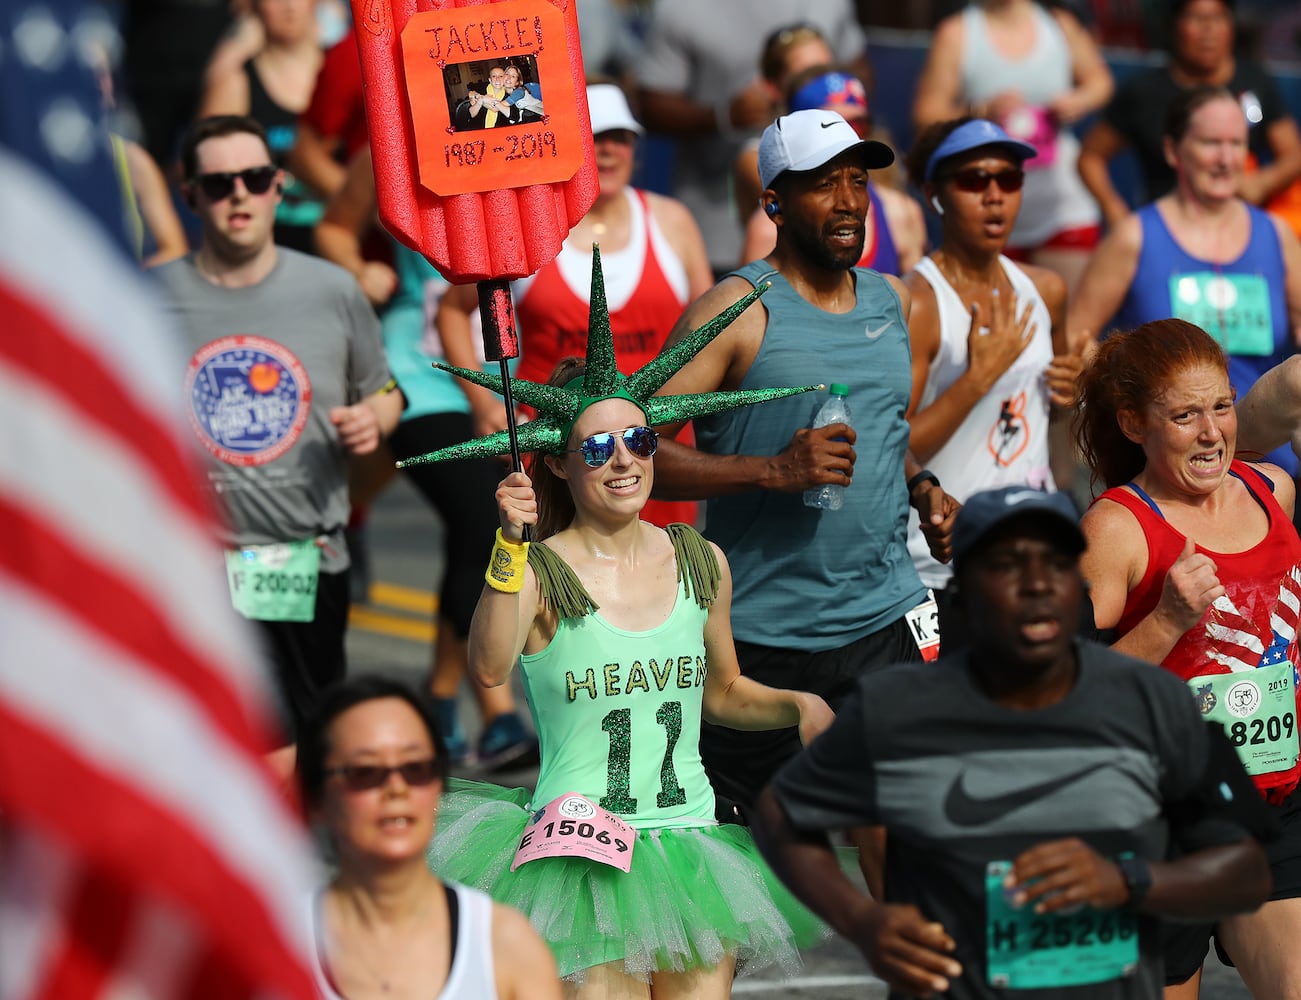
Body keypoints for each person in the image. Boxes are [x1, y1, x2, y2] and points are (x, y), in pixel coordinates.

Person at [413, 257, 835, 996]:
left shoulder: (698, 559)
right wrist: (508, 547)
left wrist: (793, 706)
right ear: (561, 464)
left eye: (639, 442)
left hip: (690, 845)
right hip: (579, 860)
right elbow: (487, 666)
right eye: (598, 448)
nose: (623, 462)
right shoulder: (540, 568)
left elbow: (724, 690)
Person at [750, 484, 1274, 999]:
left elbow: (1246, 866)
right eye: (1007, 565)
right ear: (967, 592)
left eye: (1055, 563)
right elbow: (781, 814)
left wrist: (1126, 882)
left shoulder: (1154, 703)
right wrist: (863, 919)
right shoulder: (898, 708)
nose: (1037, 583)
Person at [650, 108, 960, 816]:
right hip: (762, 641)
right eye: (822, 183)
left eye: (857, 181)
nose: (849, 200)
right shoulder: (735, 310)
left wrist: (923, 486)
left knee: (904, 837)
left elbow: (883, 428)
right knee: (759, 869)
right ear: (774, 204)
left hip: (887, 619)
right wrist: (771, 471)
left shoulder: (894, 299)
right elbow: (633, 452)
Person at [153, 115, 403, 767]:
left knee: (303, 735)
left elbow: (383, 389)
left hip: (299, 558)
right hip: (196, 563)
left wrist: (375, 421)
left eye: (254, 178)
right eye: (217, 183)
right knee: (243, 740)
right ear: (190, 196)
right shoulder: (151, 298)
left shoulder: (330, 289)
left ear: (279, 187)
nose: (238, 194)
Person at [1076, 319, 1301, 997]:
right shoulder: (1115, 530)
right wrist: (1168, 621)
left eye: (1221, 408)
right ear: (1133, 424)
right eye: (1183, 415)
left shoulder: (1272, 492)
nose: (1210, 434)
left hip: (1272, 804)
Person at [315, 146, 539, 771]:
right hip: (420, 371)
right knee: (479, 519)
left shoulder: (529, 150)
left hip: (507, 372)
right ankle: (475, 709)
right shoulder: (393, 149)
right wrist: (358, 266)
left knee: (505, 535)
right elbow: (334, 226)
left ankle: (453, 700)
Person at [438, 84, 713, 530]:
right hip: (558, 455)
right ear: (564, 144)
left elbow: (707, 336)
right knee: (556, 588)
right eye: (595, 137)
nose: (609, 150)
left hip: (650, 447)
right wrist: (485, 403)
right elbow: (453, 310)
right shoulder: (527, 226)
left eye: (621, 138)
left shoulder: (673, 221)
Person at [1069, 85, 1301, 477]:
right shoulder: (1134, 236)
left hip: (1271, 473)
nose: (1227, 159)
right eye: (1212, 143)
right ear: (1173, 150)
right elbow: (1075, 338)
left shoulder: (1277, 236)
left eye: (1236, 144)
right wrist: (1129, 395)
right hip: (1170, 468)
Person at [297, 675, 562, 1000]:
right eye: (365, 772)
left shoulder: (506, 947)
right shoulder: (266, 943)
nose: (396, 788)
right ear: (316, 798)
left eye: (416, 768)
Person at [903, 116, 1078, 600]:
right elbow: (893, 443)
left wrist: (1073, 390)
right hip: (940, 563)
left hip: (1031, 551)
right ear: (935, 193)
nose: (994, 194)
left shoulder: (1045, 289)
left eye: (1009, 178)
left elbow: (1052, 412)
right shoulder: (919, 302)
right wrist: (977, 378)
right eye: (974, 180)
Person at [635, 1, 870, 274]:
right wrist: (722, 116)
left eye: (827, 71)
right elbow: (650, 104)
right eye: (807, 75)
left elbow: (860, 65)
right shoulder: (753, 160)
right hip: (716, 232)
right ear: (773, 88)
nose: (825, 85)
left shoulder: (888, 190)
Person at [912, 0, 1112, 296]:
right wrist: (980, 110)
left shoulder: (1060, 24)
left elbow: (1100, 81)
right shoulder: (957, 33)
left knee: (1066, 328)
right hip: (987, 212)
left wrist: (1078, 100)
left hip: (1062, 206)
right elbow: (925, 114)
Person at [1077, 0, 1301, 234]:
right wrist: (1115, 211)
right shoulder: (1144, 92)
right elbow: (1091, 156)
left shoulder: (1256, 82)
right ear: (1172, 150)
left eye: (1218, 18)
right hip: (1168, 229)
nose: (1209, 31)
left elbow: (1292, 154)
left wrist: (1261, 183)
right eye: (1197, 19)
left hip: (1239, 227)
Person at [738, 67, 926, 274]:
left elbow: (911, 302)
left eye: (857, 123)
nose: (846, 136)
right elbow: (748, 300)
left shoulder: (903, 212)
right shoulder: (765, 232)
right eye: (830, 126)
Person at [197, 0, 326, 254]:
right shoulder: (235, 83)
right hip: (265, 250)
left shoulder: (346, 72)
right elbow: (203, 174)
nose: (290, 6)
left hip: (336, 247)